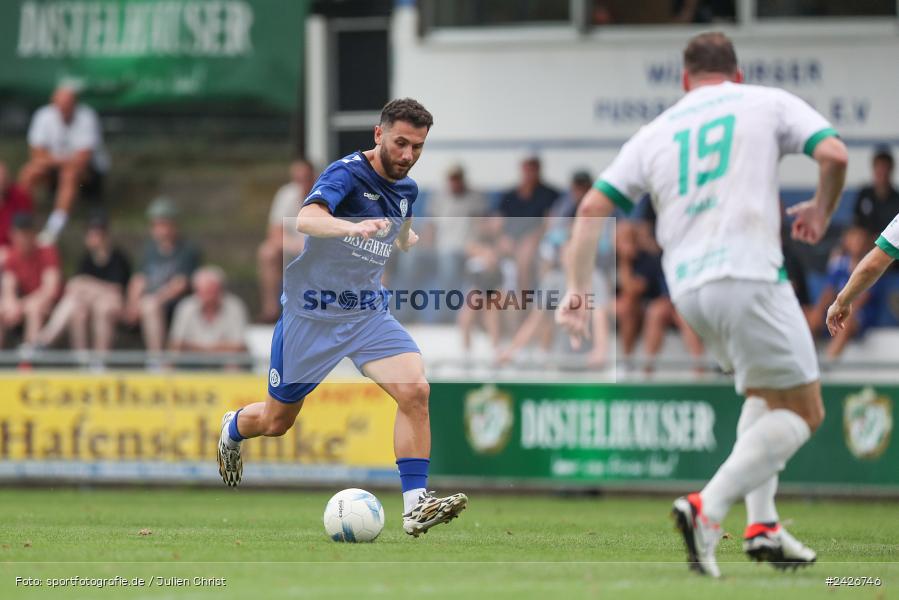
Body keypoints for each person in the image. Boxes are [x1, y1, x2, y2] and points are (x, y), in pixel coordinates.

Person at [557, 32, 848, 577]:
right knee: (806, 410)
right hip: (749, 274)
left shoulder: (657, 130)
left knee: (766, 393)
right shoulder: (764, 100)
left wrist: (576, 289)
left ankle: (763, 527)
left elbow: (592, 206)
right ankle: (706, 507)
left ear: (685, 80)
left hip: (687, 289)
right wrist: (822, 211)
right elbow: (833, 153)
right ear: (735, 74)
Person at [216, 99, 467, 536]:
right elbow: (307, 219)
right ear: (379, 135)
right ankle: (234, 427)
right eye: (401, 143)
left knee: (415, 390)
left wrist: (406, 239)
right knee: (277, 422)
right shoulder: (346, 174)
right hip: (311, 314)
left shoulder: (408, 190)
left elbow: (399, 225)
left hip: (367, 313)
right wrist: (349, 227)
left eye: (418, 147)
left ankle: (414, 507)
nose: (408, 155)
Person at [18, 83, 110, 242]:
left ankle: (54, 228)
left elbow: (83, 159)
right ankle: (21, 220)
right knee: (29, 172)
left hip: (90, 174)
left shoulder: (87, 117)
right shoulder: (43, 116)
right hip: (56, 168)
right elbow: (36, 155)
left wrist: (52, 159)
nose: (64, 110)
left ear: (75, 103)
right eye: (60, 105)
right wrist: (62, 160)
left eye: (68, 105)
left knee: (69, 174)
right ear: (53, 103)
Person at [35, 212, 131, 353]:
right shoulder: (86, 259)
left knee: (102, 308)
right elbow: (74, 286)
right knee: (75, 307)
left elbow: (116, 289)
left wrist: (88, 283)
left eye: (96, 234)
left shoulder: (118, 258)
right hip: (88, 303)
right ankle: (72, 354)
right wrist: (85, 286)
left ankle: (101, 358)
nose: (91, 237)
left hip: (112, 304)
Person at [122, 198, 200, 353]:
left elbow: (180, 284)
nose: (160, 229)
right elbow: (139, 279)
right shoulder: (149, 250)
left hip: (174, 305)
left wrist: (155, 300)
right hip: (147, 304)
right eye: (156, 224)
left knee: (150, 306)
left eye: (163, 224)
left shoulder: (187, 250)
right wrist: (132, 304)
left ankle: (157, 359)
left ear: (173, 225)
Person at [808, 226, 880, 360]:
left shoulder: (872, 264)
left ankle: (829, 363)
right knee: (812, 316)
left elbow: (861, 300)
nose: (856, 243)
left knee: (844, 323)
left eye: (860, 240)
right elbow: (829, 291)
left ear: (866, 243)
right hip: (838, 308)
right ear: (846, 242)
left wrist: (841, 313)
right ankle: (806, 361)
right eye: (853, 239)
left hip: (860, 316)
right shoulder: (839, 263)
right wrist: (819, 310)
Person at [257, 159, 315, 323]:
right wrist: (295, 245)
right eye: (296, 178)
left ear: (313, 176)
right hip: (293, 249)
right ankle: (271, 311)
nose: (300, 183)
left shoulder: (325, 193)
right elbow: (274, 232)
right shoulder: (286, 194)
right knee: (267, 253)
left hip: (320, 249)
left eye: (304, 178)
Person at [827, 213, 899, 335]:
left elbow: (871, 267)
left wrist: (841, 302)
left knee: (847, 325)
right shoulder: (839, 264)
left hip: (862, 316)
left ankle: (830, 355)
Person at [497, 155, 560, 292]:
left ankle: (523, 301)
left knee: (525, 257)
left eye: (533, 169)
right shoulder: (510, 195)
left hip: (537, 241)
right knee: (488, 258)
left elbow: (549, 222)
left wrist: (533, 238)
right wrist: (503, 237)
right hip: (510, 240)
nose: (529, 173)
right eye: (527, 168)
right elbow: (498, 222)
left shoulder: (550, 194)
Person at [0, 212, 62, 349]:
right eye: (20, 233)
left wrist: (21, 305)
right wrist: (11, 303)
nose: (23, 238)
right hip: (25, 304)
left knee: (34, 309)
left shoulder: (47, 251)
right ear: (12, 234)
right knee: (3, 308)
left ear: (33, 234)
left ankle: (29, 360)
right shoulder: (12, 255)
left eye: (26, 233)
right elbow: (8, 286)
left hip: (51, 306)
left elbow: (50, 290)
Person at [169, 266, 249, 353]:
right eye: (205, 291)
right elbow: (176, 344)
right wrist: (219, 347)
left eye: (212, 291)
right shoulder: (186, 306)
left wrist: (196, 347)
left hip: (225, 362)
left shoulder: (235, 306)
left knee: (233, 364)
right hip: (191, 363)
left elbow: (239, 346)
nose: (209, 297)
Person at [853, 146, 899, 237]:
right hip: (864, 242)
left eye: (884, 169)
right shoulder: (864, 194)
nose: (882, 173)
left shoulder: (897, 199)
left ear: (890, 170)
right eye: (879, 169)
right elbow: (856, 223)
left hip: (887, 244)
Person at [0, 161, 34, 268]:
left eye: (4, 178)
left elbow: (25, 231)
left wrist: (11, 251)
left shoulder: (20, 196)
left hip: (14, 251)